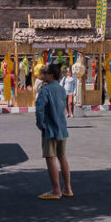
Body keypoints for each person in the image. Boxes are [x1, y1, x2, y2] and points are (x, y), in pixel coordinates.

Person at [35, 62, 72, 199]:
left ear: (50, 75)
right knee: (62, 157)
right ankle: (67, 188)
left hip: (50, 128)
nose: (43, 75)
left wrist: (41, 124)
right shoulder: (61, 89)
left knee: (50, 158)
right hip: (62, 127)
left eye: (45, 73)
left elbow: (40, 110)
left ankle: (56, 190)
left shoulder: (45, 90)